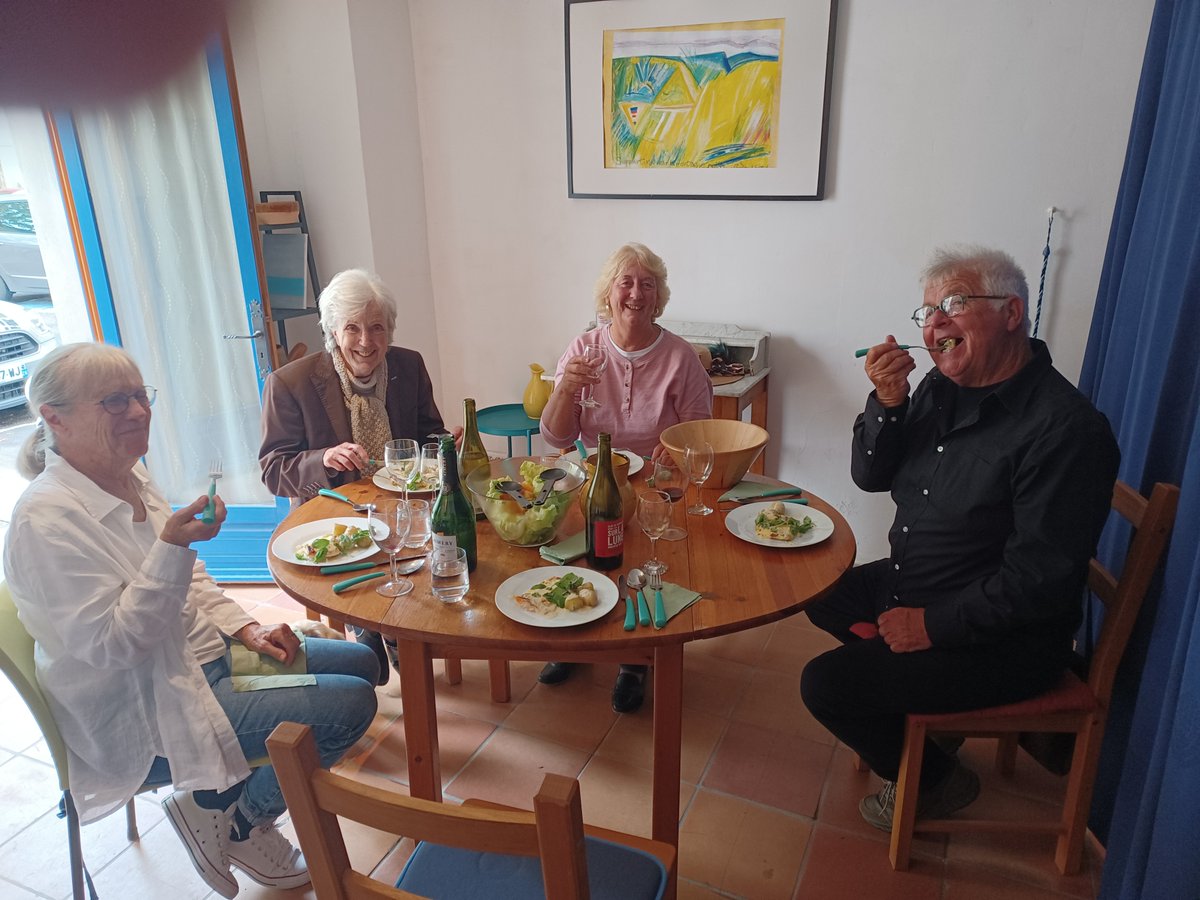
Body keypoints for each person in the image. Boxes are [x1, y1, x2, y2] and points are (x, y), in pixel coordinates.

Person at [3, 343, 379, 898]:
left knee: (363, 660)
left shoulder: (129, 473)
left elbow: (193, 578)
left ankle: (219, 798)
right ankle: (238, 817)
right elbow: (115, 647)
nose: (139, 412)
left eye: (140, 396)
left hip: (202, 657)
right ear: (54, 419)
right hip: (148, 702)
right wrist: (171, 548)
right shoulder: (43, 523)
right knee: (351, 703)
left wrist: (246, 629)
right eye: (114, 401)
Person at [799, 246, 1120, 831]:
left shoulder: (1066, 430)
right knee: (814, 590)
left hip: (1001, 638)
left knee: (825, 684)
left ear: (1012, 312)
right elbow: (871, 478)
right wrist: (888, 404)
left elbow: (1040, 584)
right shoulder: (939, 390)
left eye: (953, 303)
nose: (935, 322)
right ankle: (919, 722)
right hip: (914, 583)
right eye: (927, 311)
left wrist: (929, 626)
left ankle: (937, 780)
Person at [539, 243, 713, 712]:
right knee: (582, 553)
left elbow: (699, 433)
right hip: (595, 478)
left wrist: (675, 448)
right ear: (608, 294)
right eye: (626, 282)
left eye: (647, 285)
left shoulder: (680, 357)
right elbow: (556, 435)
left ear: (658, 299)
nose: (636, 293)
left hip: (656, 482)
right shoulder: (583, 349)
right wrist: (566, 389)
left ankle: (635, 660)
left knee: (638, 562)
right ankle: (574, 642)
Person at [259, 268, 453, 681]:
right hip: (334, 514)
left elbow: (429, 433)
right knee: (366, 579)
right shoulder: (289, 384)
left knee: (438, 548)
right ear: (332, 331)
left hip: (404, 506)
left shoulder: (409, 366)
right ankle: (367, 625)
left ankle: (400, 632)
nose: (366, 342)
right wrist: (324, 458)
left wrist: (443, 445)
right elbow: (273, 470)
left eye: (377, 328)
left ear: (390, 330)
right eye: (353, 328)